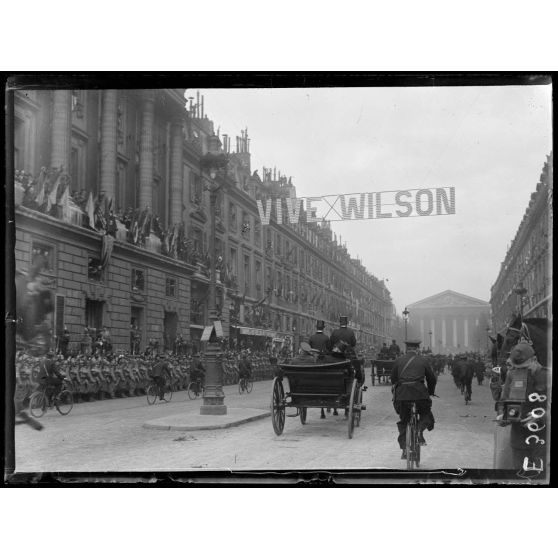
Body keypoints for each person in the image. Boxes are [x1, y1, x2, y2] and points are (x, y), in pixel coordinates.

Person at [496, 342, 549, 469]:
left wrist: (542, 416)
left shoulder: (547, 376)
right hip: (518, 439)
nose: (520, 371)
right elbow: (503, 401)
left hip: (541, 440)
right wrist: (502, 416)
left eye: (524, 367)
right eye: (517, 367)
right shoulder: (511, 375)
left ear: (534, 360)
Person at [391, 339, 437, 459]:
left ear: (406, 349)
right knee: (426, 413)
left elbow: (393, 379)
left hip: (402, 396)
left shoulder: (399, 360)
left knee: (404, 420)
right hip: (419, 394)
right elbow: (432, 378)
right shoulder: (423, 360)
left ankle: (404, 448)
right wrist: (431, 391)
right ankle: (419, 430)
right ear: (417, 349)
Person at [330, 316, 362, 384]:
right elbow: (353, 344)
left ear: (340, 323)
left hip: (336, 356)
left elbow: (331, 344)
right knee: (357, 365)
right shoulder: (350, 332)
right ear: (347, 323)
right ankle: (358, 381)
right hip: (348, 356)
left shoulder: (334, 332)